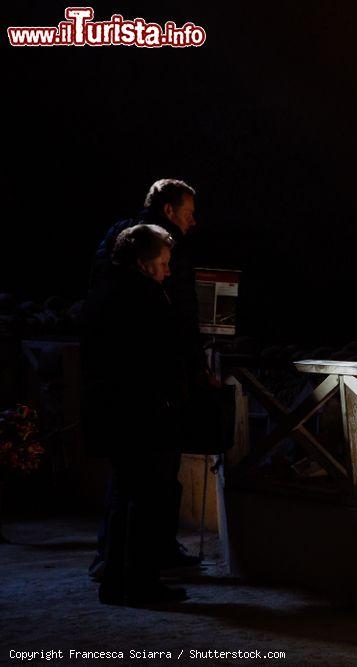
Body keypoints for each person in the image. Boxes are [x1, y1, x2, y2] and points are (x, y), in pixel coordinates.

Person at [89, 179, 205, 580]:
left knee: (128, 486)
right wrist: (191, 369)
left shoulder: (116, 256)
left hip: (122, 396)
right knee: (148, 484)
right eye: (189, 212)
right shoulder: (152, 260)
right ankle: (140, 567)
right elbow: (169, 330)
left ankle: (117, 564)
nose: (194, 221)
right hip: (146, 400)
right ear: (169, 210)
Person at [81, 224, 188, 605]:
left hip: (113, 412)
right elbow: (160, 356)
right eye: (163, 262)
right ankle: (141, 584)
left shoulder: (102, 292)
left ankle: (115, 581)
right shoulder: (143, 298)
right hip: (142, 413)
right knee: (145, 502)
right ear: (144, 263)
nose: (168, 270)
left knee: (124, 499)